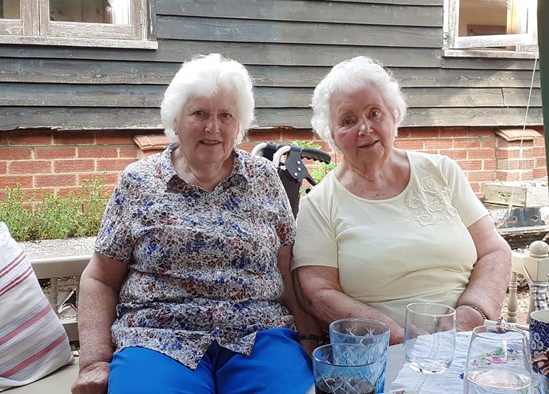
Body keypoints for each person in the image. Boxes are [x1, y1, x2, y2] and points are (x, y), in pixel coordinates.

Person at [71, 53, 320, 394]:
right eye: (199, 113)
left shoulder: (263, 178)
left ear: (239, 124)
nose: (212, 127)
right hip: (158, 338)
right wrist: (95, 361)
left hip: (259, 335)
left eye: (225, 115)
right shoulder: (139, 181)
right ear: (176, 120)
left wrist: (307, 334)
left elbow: (285, 267)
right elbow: (100, 277)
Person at [291, 55, 512, 345]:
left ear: (394, 115)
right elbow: (317, 292)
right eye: (348, 120)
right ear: (332, 135)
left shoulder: (441, 171)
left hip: (469, 337)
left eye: (374, 113)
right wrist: (397, 336)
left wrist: (471, 315)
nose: (364, 129)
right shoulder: (319, 204)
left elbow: (495, 251)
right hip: (382, 348)